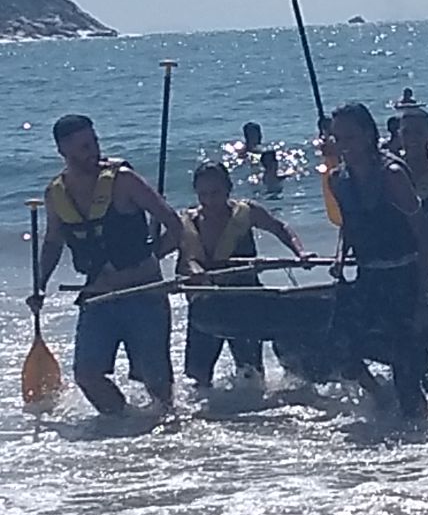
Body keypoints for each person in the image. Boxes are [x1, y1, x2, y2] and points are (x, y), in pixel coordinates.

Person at [29, 114, 184, 414]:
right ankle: (123, 423)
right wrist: (40, 286)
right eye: (84, 146)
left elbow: (174, 225)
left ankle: (164, 429)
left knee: (156, 382)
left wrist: (153, 258)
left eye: (95, 142)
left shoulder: (124, 180)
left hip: (144, 294)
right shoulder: (55, 193)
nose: (94, 151)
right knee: (87, 375)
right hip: (98, 298)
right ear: (63, 151)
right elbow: (53, 243)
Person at [326, 102, 428, 418]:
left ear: (368, 135)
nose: (344, 146)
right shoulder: (337, 179)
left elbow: (423, 235)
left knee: (407, 374)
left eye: (350, 138)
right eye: (338, 139)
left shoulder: (392, 175)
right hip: (367, 277)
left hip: (403, 276)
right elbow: (348, 226)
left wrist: (423, 301)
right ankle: (378, 394)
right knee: (339, 348)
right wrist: (340, 256)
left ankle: (419, 434)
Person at [175, 162, 311, 388]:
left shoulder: (247, 212)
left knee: (250, 370)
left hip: (245, 301)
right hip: (206, 306)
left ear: (228, 189)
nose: (209, 201)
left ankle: (256, 405)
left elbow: (280, 228)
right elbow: (161, 253)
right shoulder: (186, 223)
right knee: (197, 375)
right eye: (203, 194)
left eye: (215, 193)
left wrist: (301, 253)